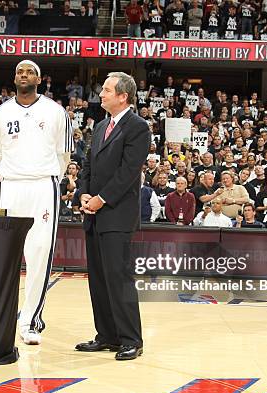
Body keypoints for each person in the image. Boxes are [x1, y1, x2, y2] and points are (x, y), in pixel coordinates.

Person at [0, 60, 72, 346]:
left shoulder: (56, 112)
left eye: (29, 72)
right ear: (14, 79)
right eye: (19, 72)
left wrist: (45, 177)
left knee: (39, 253)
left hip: (42, 186)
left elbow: (64, 156)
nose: (23, 75)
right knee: (5, 255)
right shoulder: (0, 114)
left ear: (40, 79)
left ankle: (30, 321)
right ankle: (2, 316)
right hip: (10, 185)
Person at [76, 71, 150, 361]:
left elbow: (128, 173)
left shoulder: (138, 127)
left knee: (119, 278)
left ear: (123, 96)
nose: (101, 94)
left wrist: (100, 199)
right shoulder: (101, 125)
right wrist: (82, 193)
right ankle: (106, 335)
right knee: (98, 279)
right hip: (93, 214)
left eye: (106, 90)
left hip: (116, 216)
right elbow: (87, 166)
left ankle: (131, 338)